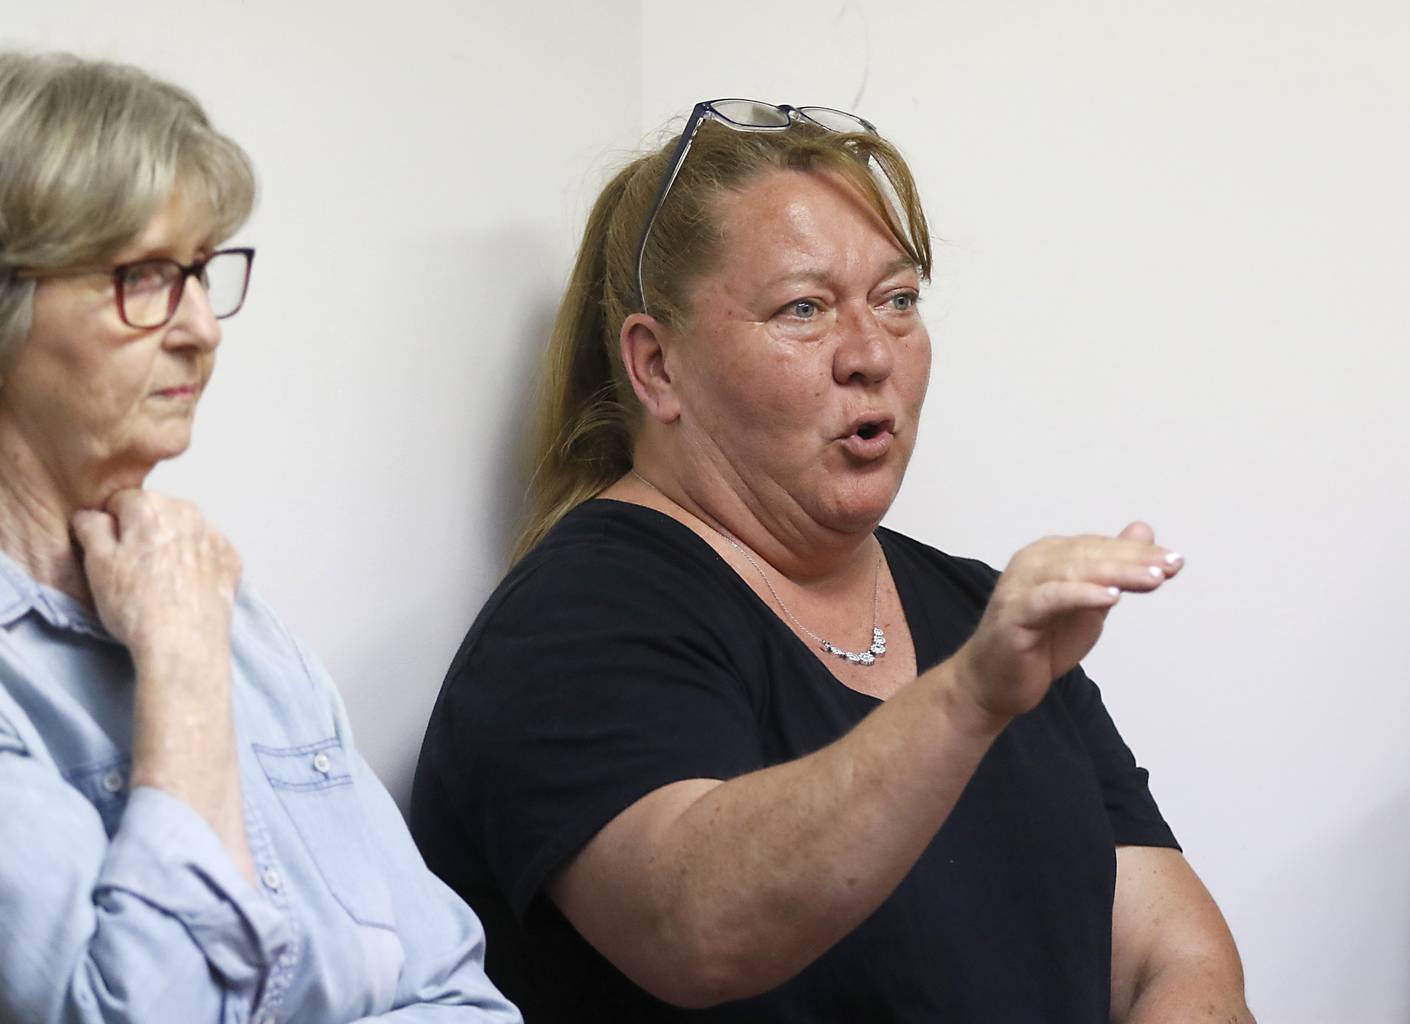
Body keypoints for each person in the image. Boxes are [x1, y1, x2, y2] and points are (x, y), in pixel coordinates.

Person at [410, 99, 1254, 1022]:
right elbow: (697, 926)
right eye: (804, 309)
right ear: (657, 367)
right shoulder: (574, 619)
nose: (870, 355)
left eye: (897, 302)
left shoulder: (978, 605)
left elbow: (1173, 957)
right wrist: (969, 698)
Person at [0, 52, 519, 1023]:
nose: (204, 326)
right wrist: (186, 677)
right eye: (146, 276)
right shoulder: (196, 630)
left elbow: (456, 991)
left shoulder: (219, 608)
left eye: (202, 272)